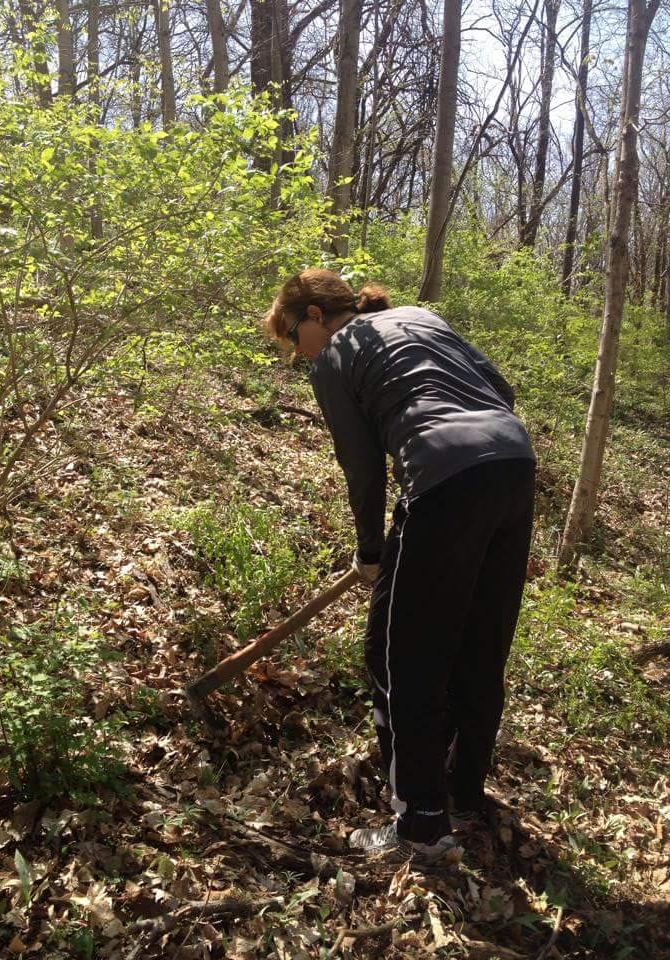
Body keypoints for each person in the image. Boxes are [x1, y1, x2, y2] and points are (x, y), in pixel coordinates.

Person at [265, 269, 535, 867]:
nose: (292, 351)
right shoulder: (421, 317)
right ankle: (463, 793)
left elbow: (361, 471)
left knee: (398, 655)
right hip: (513, 464)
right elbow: (499, 387)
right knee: (479, 641)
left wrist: (369, 552)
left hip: (442, 476)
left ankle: (420, 824)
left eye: (290, 335)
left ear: (314, 315)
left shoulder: (336, 353)